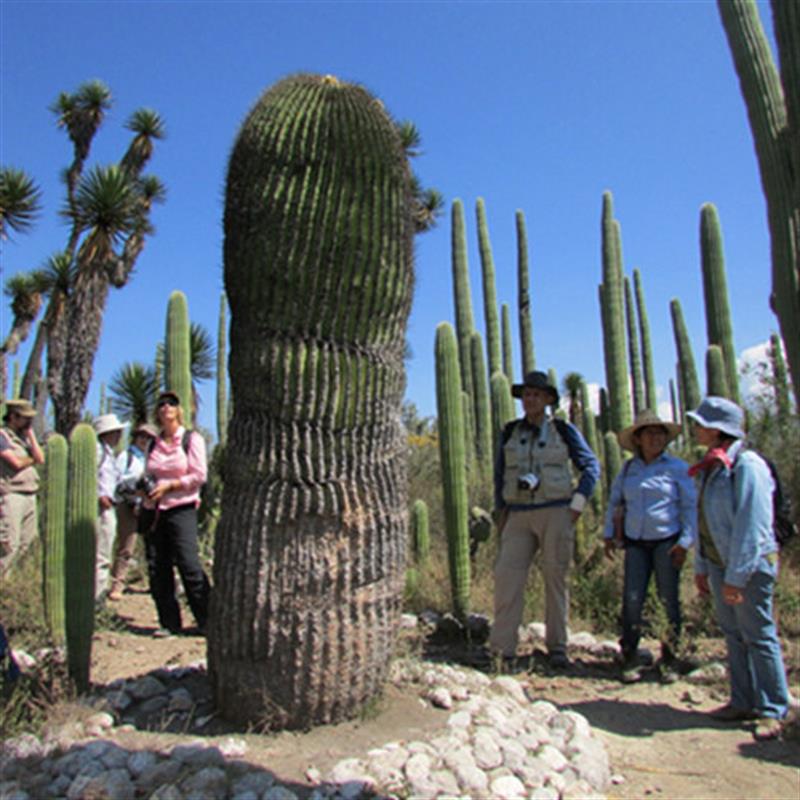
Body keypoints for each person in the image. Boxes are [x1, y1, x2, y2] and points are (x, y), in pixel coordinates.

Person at [688, 396, 789, 740]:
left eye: (701, 423)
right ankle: (742, 700)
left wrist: (736, 577)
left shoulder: (748, 466)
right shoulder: (711, 467)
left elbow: (754, 527)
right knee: (733, 634)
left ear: (719, 430)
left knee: (758, 634)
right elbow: (703, 521)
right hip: (720, 564)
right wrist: (702, 567)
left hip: (749, 567)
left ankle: (773, 708)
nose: (696, 428)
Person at [489, 370, 600, 669]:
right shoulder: (510, 431)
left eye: (536, 394)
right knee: (507, 578)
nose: (530, 399)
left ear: (548, 399)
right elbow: (500, 474)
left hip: (556, 511)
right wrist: (501, 512)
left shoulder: (564, 431)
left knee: (555, 579)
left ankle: (558, 648)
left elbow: (591, 467)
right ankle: (502, 650)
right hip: (518, 514)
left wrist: (576, 506)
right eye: (526, 394)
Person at [603, 410, 697, 683]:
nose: (656, 438)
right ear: (638, 439)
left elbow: (689, 506)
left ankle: (670, 657)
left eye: (660, 433)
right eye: (649, 433)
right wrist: (609, 534)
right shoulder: (628, 469)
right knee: (632, 598)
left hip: (667, 542)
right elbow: (615, 501)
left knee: (669, 599)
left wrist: (685, 542)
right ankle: (630, 653)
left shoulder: (678, 468)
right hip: (636, 543)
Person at [140, 390, 210, 637]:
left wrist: (171, 485)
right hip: (156, 510)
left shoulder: (191, 439)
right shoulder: (153, 443)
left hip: (182, 507)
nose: (166, 407)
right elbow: (148, 473)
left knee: (188, 563)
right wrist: (146, 489)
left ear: (178, 410)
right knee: (158, 567)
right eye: (161, 404)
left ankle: (207, 619)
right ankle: (169, 623)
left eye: (171, 403)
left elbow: (200, 475)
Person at [107, 422, 158, 601]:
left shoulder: (154, 459)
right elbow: (117, 483)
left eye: (149, 438)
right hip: (128, 505)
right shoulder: (125, 457)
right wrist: (135, 492)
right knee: (126, 546)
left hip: (149, 506)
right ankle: (117, 584)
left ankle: (156, 584)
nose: (145, 440)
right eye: (142, 436)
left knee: (154, 547)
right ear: (135, 437)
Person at [0, 399, 44, 576]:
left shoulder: (24, 439)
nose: (28, 421)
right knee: (10, 544)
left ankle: (15, 585)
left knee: (27, 542)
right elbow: (16, 463)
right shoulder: (3, 436)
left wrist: (31, 436)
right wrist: (31, 460)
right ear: (13, 417)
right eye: (25, 418)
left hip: (30, 494)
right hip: (11, 495)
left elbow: (41, 458)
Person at [94, 413, 128, 601]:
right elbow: (88, 476)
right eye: (117, 432)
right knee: (101, 555)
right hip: (101, 508)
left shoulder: (107, 453)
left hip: (108, 506)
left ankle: (97, 596)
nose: (119, 436)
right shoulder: (98, 451)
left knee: (103, 553)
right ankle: (96, 599)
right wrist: (100, 496)